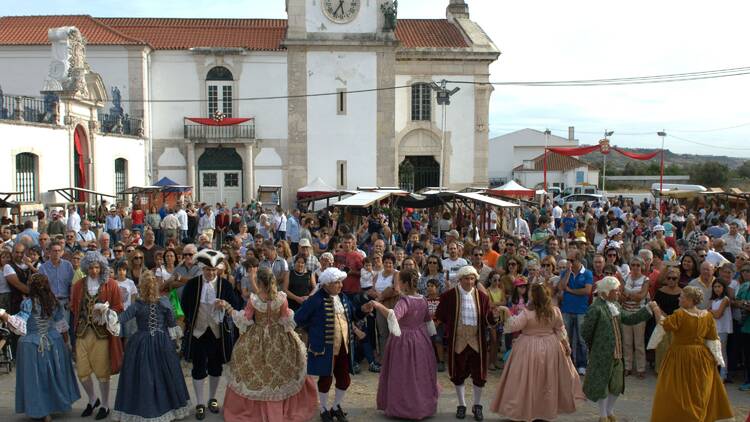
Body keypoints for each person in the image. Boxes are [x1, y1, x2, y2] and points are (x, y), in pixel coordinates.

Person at [219, 267, 318, 422]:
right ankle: (281, 407)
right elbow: (286, 320)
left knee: (256, 372)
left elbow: (245, 320)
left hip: (256, 339)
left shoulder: (254, 299)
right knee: (280, 373)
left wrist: (228, 307)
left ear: (259, 282)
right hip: (280, 338)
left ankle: (255, 409)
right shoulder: (281, 298)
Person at [491, 283, 584, 421]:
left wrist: (506, 311)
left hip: (528, 347)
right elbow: (560, 330)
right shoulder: (554, 311)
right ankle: (543, 409)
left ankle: (526, 409)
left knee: (527, 380)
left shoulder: (527, 312)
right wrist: (566, 346)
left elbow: (513, 325)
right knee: (546, 380)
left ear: (533, 297)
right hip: (551, 347)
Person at [109, 271, 191, 422]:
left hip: (141, 342)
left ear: (142, 287)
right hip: (162, 342)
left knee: (143, 377)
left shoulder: (138, 305)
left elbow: (121, 318)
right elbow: (172, 324)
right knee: (164, 375)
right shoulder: (164, 302)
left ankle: (143, 409)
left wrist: (107, 314)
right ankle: (168, 407)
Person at [294, 267, 370, 422]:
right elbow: (299, 318)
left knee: (344, 379)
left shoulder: (342, 298)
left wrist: (363, 309)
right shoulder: (316, 299)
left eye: (340, 282)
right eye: (337, 283)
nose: (341, 285)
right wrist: (314, 331)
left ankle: (335, 407)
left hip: (344, 346)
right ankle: (323, 409)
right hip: (325, 348)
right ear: (327, 284)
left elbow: (354, 314)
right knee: (326, 380)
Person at [1, 274, 80, 421]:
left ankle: (43, 411)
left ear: (32, 287)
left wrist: (4, 315)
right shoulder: (53, 301)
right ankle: (50, 407)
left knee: (37, 379)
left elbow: (20, 325)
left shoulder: (28, 303)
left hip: (33, 344)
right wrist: (66, 344)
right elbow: (61, 324)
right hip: (53, 341)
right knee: (51, 376)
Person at [650, 286, 733, 421]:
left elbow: (663, 323)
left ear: (689, 300)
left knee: (677, 391)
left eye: (682, 297)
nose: (679, 298)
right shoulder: (707, 315)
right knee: (698, 390)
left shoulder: (680, 314)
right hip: (702, 356)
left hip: (680, 355)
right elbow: (713, 339)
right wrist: (717, 358)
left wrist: (655, 308)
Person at [581, 276, 658, 422]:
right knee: (602, 385)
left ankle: (609, 411)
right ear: (606, 292)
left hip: (618, 353)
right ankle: (603, 415)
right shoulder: (596, 308)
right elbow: (585, 331)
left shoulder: (615, 305)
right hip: (602, 354)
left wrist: (647, 309)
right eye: (615, 291)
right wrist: (596, 347)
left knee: (616, 385)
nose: (618, 293)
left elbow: (629, 318)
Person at [180, 249, 242, 420]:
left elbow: (235, 304)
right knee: (198, 367)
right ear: (202, 269)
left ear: (218, 270)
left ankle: (212, 399)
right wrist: (193, 319)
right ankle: (199, 403)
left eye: (213, 270)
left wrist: (225, 305)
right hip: (199, 332)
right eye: (207, 270)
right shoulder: (193, 284)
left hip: (217, 333)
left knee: (216, 367)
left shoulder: (225, 285)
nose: (210, 273)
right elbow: (185, 303)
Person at [370, 268, 439, 420]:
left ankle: (404, 407)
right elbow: (428, 321)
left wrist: (378, 305)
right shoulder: (422, 299)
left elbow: (394, 316)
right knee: (419, 372)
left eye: (399, 281)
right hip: (421, 339)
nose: (398, 283)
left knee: (403, 373)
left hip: (404, 339)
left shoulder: (405, 300)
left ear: (405, 283)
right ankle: (422, 405)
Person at [435, 266, 499, 421]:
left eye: (472, 279)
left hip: (477, 341)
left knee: (479, 375)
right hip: (458, 341)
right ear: (460, 279)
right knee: (458, 373)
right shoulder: (449, 296)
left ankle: (477, 405)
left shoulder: (482, 297)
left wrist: (494, 317)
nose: (469, 282)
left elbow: (487, 319)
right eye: (466, 278)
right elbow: (440, 316)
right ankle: (462, 405)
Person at [70, 251, 124, 420]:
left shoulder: (111, 284)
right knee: (82, 371)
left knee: (102, 371)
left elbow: (119, 307)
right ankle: (93, 399)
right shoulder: (79, 285)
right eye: (91, 267)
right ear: (86, 267)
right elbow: (73, 307)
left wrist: (106, 312)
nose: (94, 271)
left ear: (102, 267)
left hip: (101, 334)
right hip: (82, 332)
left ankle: (105, 404)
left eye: (97, 267)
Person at [620, 256, 650, 379]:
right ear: (630, 266)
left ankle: (641, 368)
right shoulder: (625, 277)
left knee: (639, 343)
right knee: (627, 342)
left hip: (638, 314)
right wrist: (633, 296)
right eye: (633, 265)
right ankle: (627, 367)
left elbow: (641, 296)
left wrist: (628, 295)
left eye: (638, 265)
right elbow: (621, 297)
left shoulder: (645, 279)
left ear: (641, 266)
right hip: (626, 312)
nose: (636, 267)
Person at [652, 267, 682, 373]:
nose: (671, 280)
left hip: (677, 321)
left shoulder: (682, 292)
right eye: (669, 278)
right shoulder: (660, 291)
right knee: (662, 346)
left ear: (678, 279)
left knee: (675, 347)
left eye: (674, 278)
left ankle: (675, 370)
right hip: (663, 321)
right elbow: (654, 304)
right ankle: (660, 369)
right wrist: (660, 313)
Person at [710, 279, 733, 382]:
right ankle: (714, 374)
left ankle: (723, 375)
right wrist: (712, 311)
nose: (717, 289)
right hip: (714, 329)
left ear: (723, 288)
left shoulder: (725, 299)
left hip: (722, 329)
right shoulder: (714, 300)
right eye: (715, 287)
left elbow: (718, 314)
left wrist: (711, 311)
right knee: (713, 352)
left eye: (719, 286)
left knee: (722, 352)